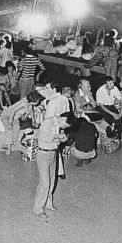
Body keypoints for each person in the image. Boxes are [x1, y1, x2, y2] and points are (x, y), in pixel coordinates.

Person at [33, 83, 70, 218]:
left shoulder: (58, 123)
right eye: (65, 124)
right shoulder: (48, 122)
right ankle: (38, 208)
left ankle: (48, 203)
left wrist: (63, 138)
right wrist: (57, 136)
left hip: (53, 153)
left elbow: (59, 138)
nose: (64, 126)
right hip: (43, 154)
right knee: (45, 183)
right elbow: (43, 137)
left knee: (52, 180)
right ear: (63, 119)